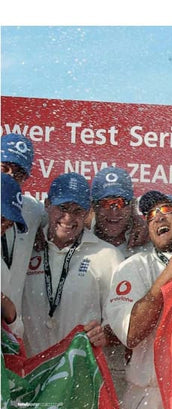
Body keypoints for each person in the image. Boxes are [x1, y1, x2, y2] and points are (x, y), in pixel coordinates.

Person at [104, 190, 172, 409]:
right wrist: (167, 276)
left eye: (166, 209)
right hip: (150, 397)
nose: (158, 217)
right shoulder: (133, 267)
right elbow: (131, 334)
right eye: (151, 215)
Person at [20, 172, 123, 358]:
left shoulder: (107, 256)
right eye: (63, 208)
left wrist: (105, 333)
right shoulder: (26, 246)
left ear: (88, 212)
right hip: (30, 373)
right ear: (47, 205)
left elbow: (120, 320)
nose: (68, 218)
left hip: (76, 374)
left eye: (77, 211)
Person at [89, 166, 151, 407]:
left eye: (121, 203)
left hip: (131, 369)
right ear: (93, 206)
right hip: (84, 363)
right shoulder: (76, 236)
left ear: (132, 205)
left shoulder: (147, 243)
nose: (113, 211)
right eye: (106, 203)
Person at [1, 134, 46, 337]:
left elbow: (71, 217)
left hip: (11, 334)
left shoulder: (30, 209)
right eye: (5, 167)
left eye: (18, 172)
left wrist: (136, 223)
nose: (10, 175)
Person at [1, 173, 28, 328]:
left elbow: (14, 333)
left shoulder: (2, 269)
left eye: (10, 224)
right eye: (2, 219)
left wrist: (10, 311)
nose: (3, 228)